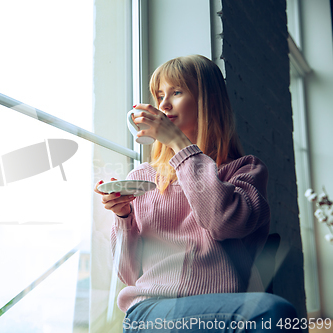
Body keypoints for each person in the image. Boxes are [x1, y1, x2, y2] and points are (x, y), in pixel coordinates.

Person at [94, 55, 298, 332]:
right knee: (275, 313)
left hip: (224, 310)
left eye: (176, 92)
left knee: (276, 314)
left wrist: (180, 144)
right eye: (159, 95)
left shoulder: (245, 171)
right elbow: (129, 275)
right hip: (150, 311)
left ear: (208, 101)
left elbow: (223, 222)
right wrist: (124, 217)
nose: (164, 104)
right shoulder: (141, 178)